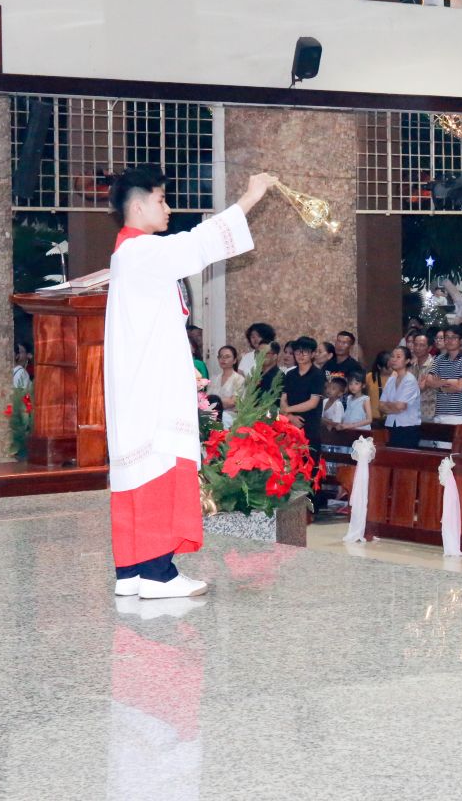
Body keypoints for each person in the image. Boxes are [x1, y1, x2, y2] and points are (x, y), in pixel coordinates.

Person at [103, 166, 275, 599]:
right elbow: (199, 243)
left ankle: (133, 570)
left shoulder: (128, 254)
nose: (168, 209)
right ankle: (158, 575)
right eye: (161, 200)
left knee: (136, 474)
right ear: (137, 206)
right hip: (152, 388)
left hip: (140, 386)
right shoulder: (142, 251)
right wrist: (250, 197)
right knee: (158, 469)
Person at [281, 336, 327, 467]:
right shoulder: (290, 374)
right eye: (297, 351)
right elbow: (283, 399)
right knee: (289, 466)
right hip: (290, 426)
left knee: (309, 466)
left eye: (305, 352)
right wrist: (290, 416)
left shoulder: (317, 374)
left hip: (310, 427)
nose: (300, 355)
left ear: (313, 354)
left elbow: (313, 403)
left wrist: (287, 410)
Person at [378, 346, 422, 449]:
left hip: (408, 427)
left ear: (407, 360)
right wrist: (394, 406)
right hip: (391, 425)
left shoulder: (410, 380)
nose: (394, 359)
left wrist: (389, 405)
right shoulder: (391, 379)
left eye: (398, 357)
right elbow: (380, 405)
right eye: (392, 356)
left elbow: (400, 406)